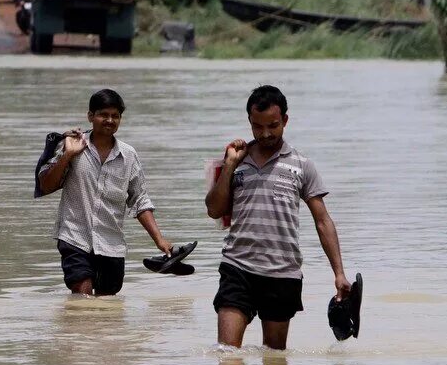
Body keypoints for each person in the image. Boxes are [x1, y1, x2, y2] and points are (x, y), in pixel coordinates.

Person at [205, 85, 351, 350]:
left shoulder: (302, 165)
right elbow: (214, 210)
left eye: (273, 126)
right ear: (249, 122)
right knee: (226, 355)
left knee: (273, 359)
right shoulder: (234, 162)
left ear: (285, 120)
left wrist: (339, 273)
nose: (265, 134)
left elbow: (322, 220)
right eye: (257, 127)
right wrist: (228, 166)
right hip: (237, 267)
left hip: (282, 273)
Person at [37, 89, 175, 296]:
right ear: (91, 116)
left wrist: (159, 239)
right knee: (82, 294)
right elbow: (46, 185)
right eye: (103, 114)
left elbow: (139, 200)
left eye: (115, 116)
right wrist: (67, 155)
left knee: (107, 303)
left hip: (111, 243)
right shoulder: (72, 145)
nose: (109, 120)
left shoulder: (128, 155)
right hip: (75, 237)